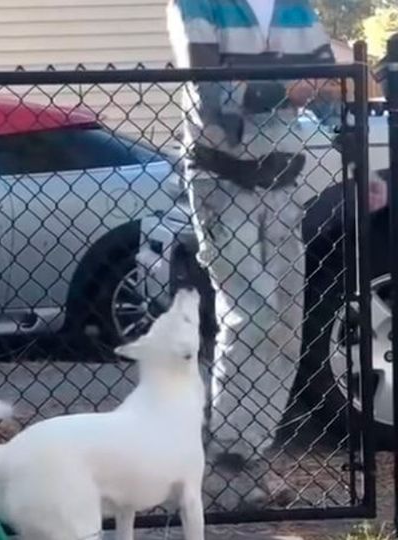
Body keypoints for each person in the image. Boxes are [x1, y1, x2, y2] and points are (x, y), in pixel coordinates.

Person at [165, 0, 385, 508]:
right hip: (222, 182)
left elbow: (334, 96)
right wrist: (298, 84)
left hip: (286, 186)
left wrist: (363, 170)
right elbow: (216, 96)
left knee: (286, 320)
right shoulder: (197, 7)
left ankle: (245, 461)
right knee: (252, 314)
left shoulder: (295, 11)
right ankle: (222, 463)